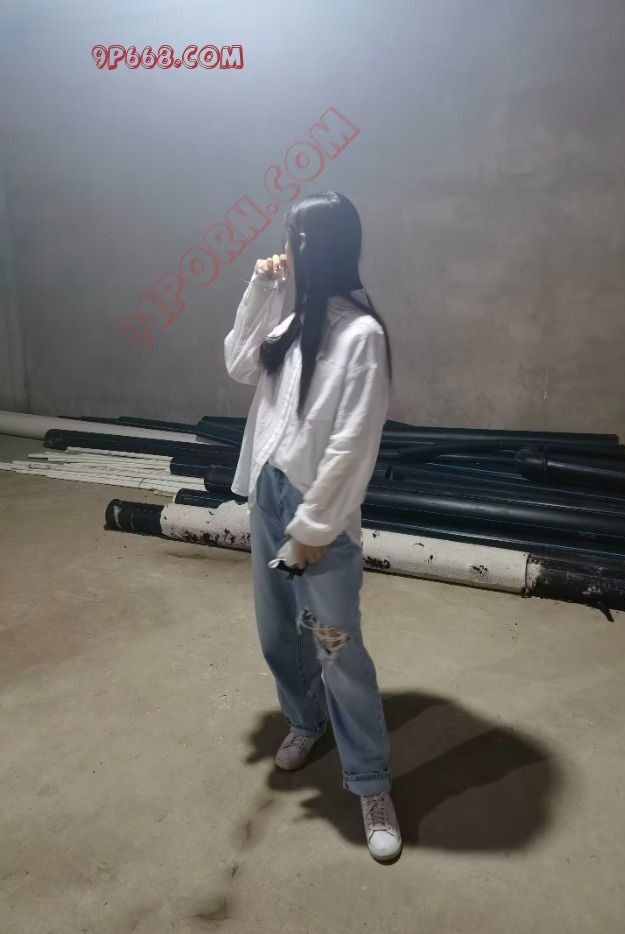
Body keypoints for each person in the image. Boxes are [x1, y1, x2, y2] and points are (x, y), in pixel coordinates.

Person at [224, 190, 401, 861]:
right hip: (269, 494)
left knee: (335, 648)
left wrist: (311, 532)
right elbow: (240, 364)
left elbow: (352, 447)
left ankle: (370, 782)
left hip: (318, 519)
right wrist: (260, 288)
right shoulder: (294, 315)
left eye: (294, 239)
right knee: (278, 633)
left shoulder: (361, 337)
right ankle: (306, 719)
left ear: (318, 246)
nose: (286, 250)